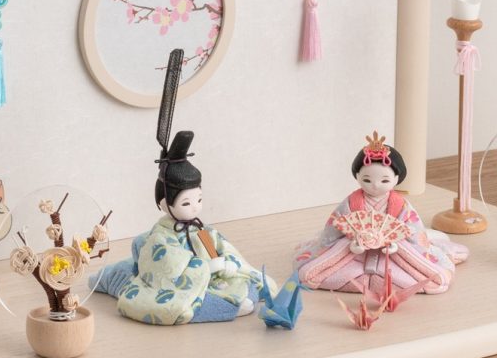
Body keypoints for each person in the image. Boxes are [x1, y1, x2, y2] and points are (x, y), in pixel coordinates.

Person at [94, 49, 270, 325]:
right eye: (186, 203)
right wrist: (203, 267)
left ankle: (227, 298)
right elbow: (164, 267)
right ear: (165, 204)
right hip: (182, 282)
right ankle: (220, 305)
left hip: (208, 274)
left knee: (247, 284)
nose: (195, 208)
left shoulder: (199, 227)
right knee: (181, 303)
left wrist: (223, 262)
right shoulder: (159, 237)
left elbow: (219, 248)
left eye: (198, 200)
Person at [295, 132, 467, 294]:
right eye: (367, 180)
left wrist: (395, 245)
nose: (375, 185)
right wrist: (354, 245)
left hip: (394, 256)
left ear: (396, 179)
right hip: (354, 254)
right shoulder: (351, 203)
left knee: (431, 279)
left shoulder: (401, 205)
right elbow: (333, 232)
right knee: (309, 274)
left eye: (384, 180)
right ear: (357, 176)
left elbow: (414, 234)